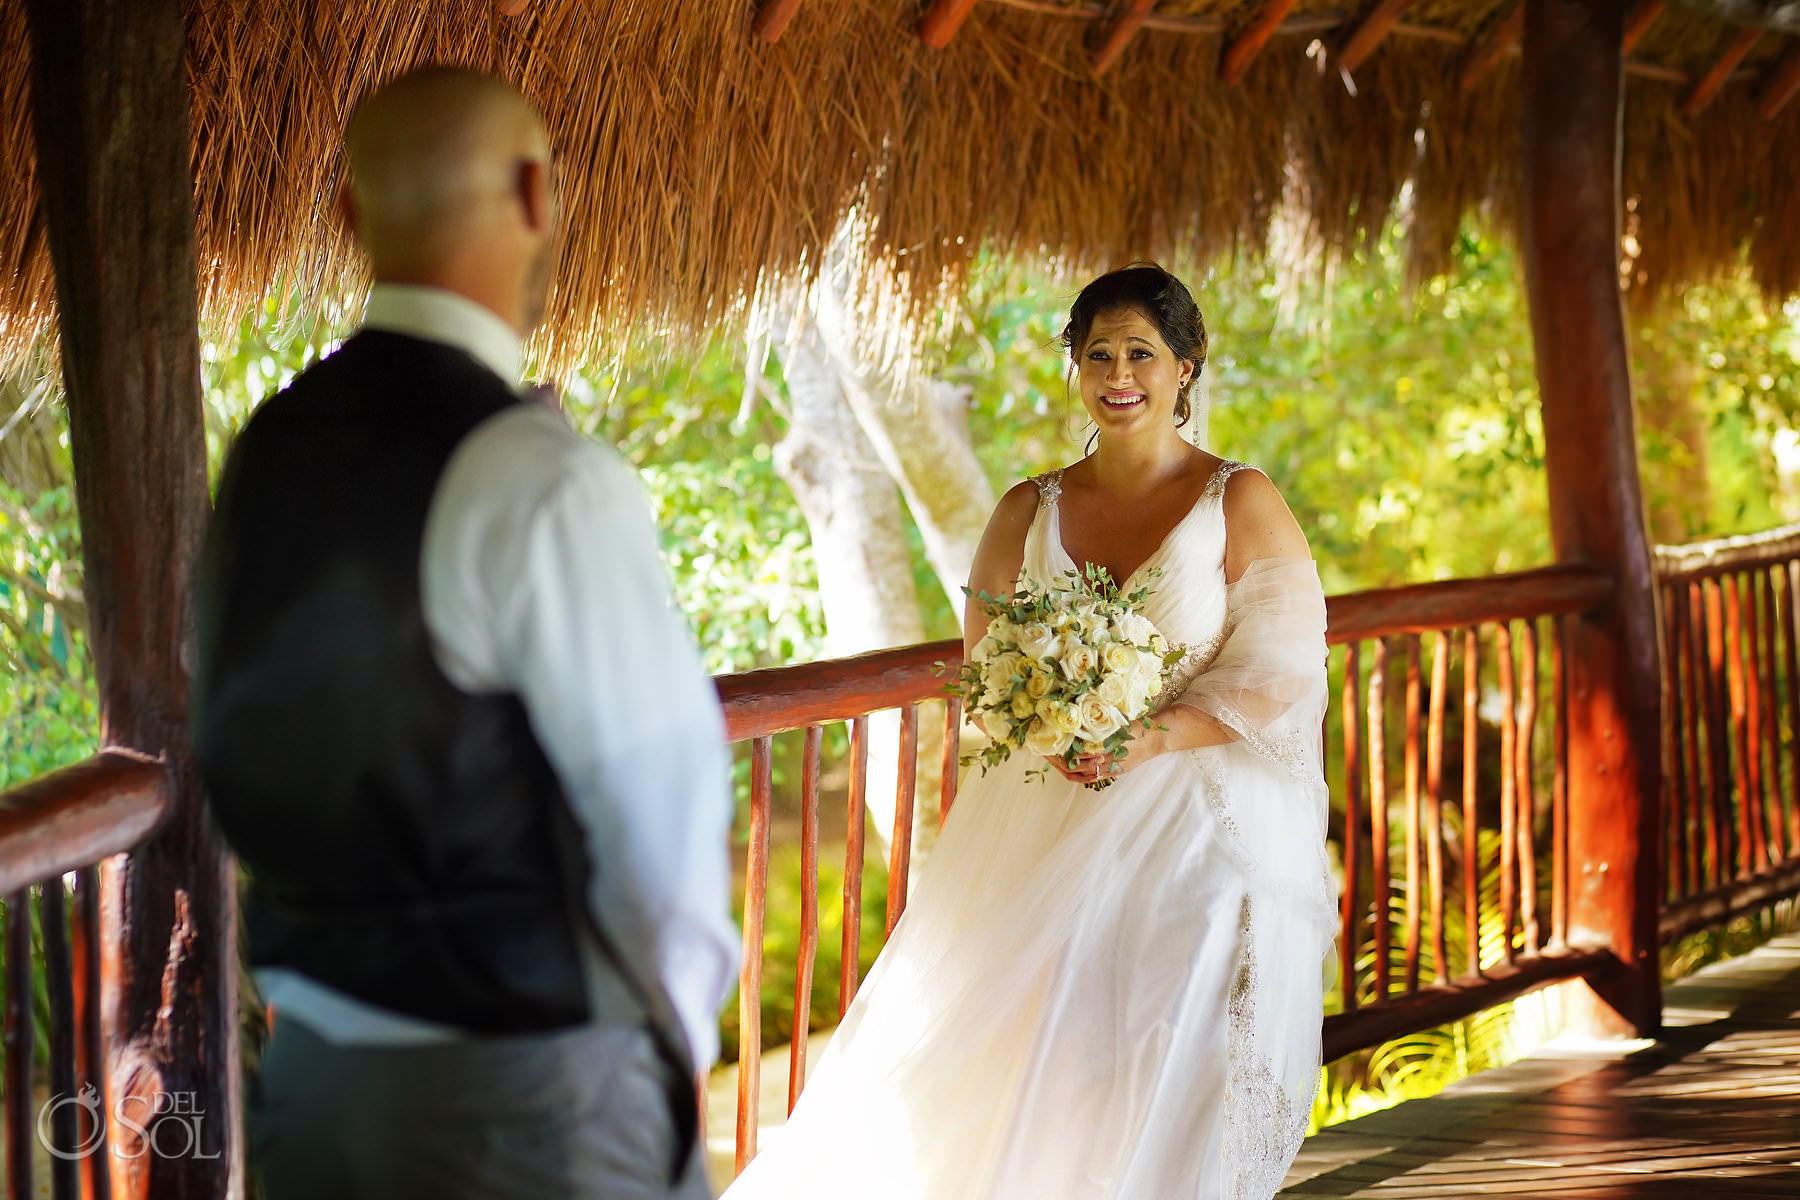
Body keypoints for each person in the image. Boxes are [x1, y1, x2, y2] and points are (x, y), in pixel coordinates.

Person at [190, 68, 733, 1199]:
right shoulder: (539, 475)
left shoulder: (265, 454)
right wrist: (668, 1052)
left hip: (314, 1088)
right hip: (529, 1096)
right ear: (537, 192)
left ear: (347, 216)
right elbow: (661, 825)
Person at [722, 264, 1333, 1200]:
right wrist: (1052, 722)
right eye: (1098, 354)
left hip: (1192, 806)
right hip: (1050, 799)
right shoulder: (1027, 508)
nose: (1117, 373)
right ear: (1075, 367)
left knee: (1181, 1020)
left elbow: (1282, 668)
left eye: (1141, 353)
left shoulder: (1236, 500)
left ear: (1185, 366)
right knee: (1040, 1032)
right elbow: (988, 667)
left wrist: (1154, 736)